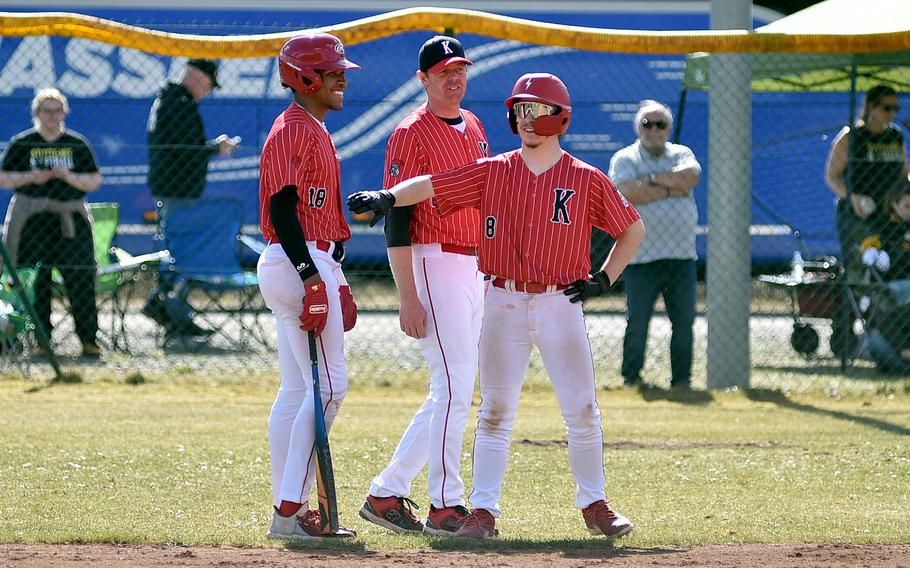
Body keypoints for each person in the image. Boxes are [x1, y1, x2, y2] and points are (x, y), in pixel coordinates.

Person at [349, 73, 644, 540]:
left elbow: (632, 228)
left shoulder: (584, 177)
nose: (526, 118)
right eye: (520, 109)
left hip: (559, 301)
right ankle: (483, 512)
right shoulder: (495, 169)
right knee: (494, 412)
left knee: (582, 409)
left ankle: (595, 504)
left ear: (560, 116)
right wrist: (388, 196)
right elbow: (431, 185)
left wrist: (604, 278)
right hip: (502, 298)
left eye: (537, 109)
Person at [357, 36, 489, 536]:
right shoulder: (410, 131)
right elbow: (396, 218)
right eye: (442, 72)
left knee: (449, 392)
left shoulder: (474, 124)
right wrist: (407, 295)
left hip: (472, 263)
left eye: (459, 69)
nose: (453, 78)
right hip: (433, 260)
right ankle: (445, 505)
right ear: (424, 80)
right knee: (454, 387)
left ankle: (386, 492)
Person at [257, 33, 360, 540]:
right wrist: (311, 277)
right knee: (331, 386)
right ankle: (290, 508)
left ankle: (290, 512)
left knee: (299, 388)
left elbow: (307, 212)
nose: (342, 77)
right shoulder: (294, 128)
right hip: (296, 258)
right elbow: (281, 208)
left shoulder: (311, 126)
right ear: (304, 78)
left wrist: (330, 272)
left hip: (305, 258)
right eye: (332, 70)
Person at [0, 88, 103, 358]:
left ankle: (89, 340)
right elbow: (5, 179)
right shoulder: (23, 143)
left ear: (64, 113)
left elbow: (94, 181)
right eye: (46, 110)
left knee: (80, 274)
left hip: (69, 218)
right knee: (36, 279)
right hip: (32, 219)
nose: (52, 116)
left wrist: (67, 176)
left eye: (57, 111)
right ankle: (41, 341)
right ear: (36, 113)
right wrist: (31, 177)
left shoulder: (77, 143)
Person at [143, 58, 239, 341]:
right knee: (181, 253)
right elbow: (186, 149)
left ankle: (165, 307)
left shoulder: (169, 100)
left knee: (177, 250)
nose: (207, 92)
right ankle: (173, 313)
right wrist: (215, 148)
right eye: (208, 86)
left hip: (172, 189)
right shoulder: (179, 105)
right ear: (197, 78)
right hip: (176, 192)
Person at [608, 100, 702, 389]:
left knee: (684, 323)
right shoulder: (625, 158)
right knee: (637, 322)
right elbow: (626, 193)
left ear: (669, 128)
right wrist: (671, 187)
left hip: (681, 257)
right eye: (647, 124)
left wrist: (648, 182)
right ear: (638, 128)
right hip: (641, 257)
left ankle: (682, 381)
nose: (654, 130)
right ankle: (631, 378)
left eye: (660, 124)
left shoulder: (681, 153)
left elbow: (691, 176)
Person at [824, 84, 908, 272]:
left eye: (896, 108)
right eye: (887, 108)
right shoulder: (851, 137)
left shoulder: (896, 136)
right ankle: (858, 300)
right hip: (859, 214)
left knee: (890, 265)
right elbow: (832, 177)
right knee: (861, 267)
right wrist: (853, 197)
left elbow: (904, 175)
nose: (892, 113)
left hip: (890, 215)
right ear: (871, 107)